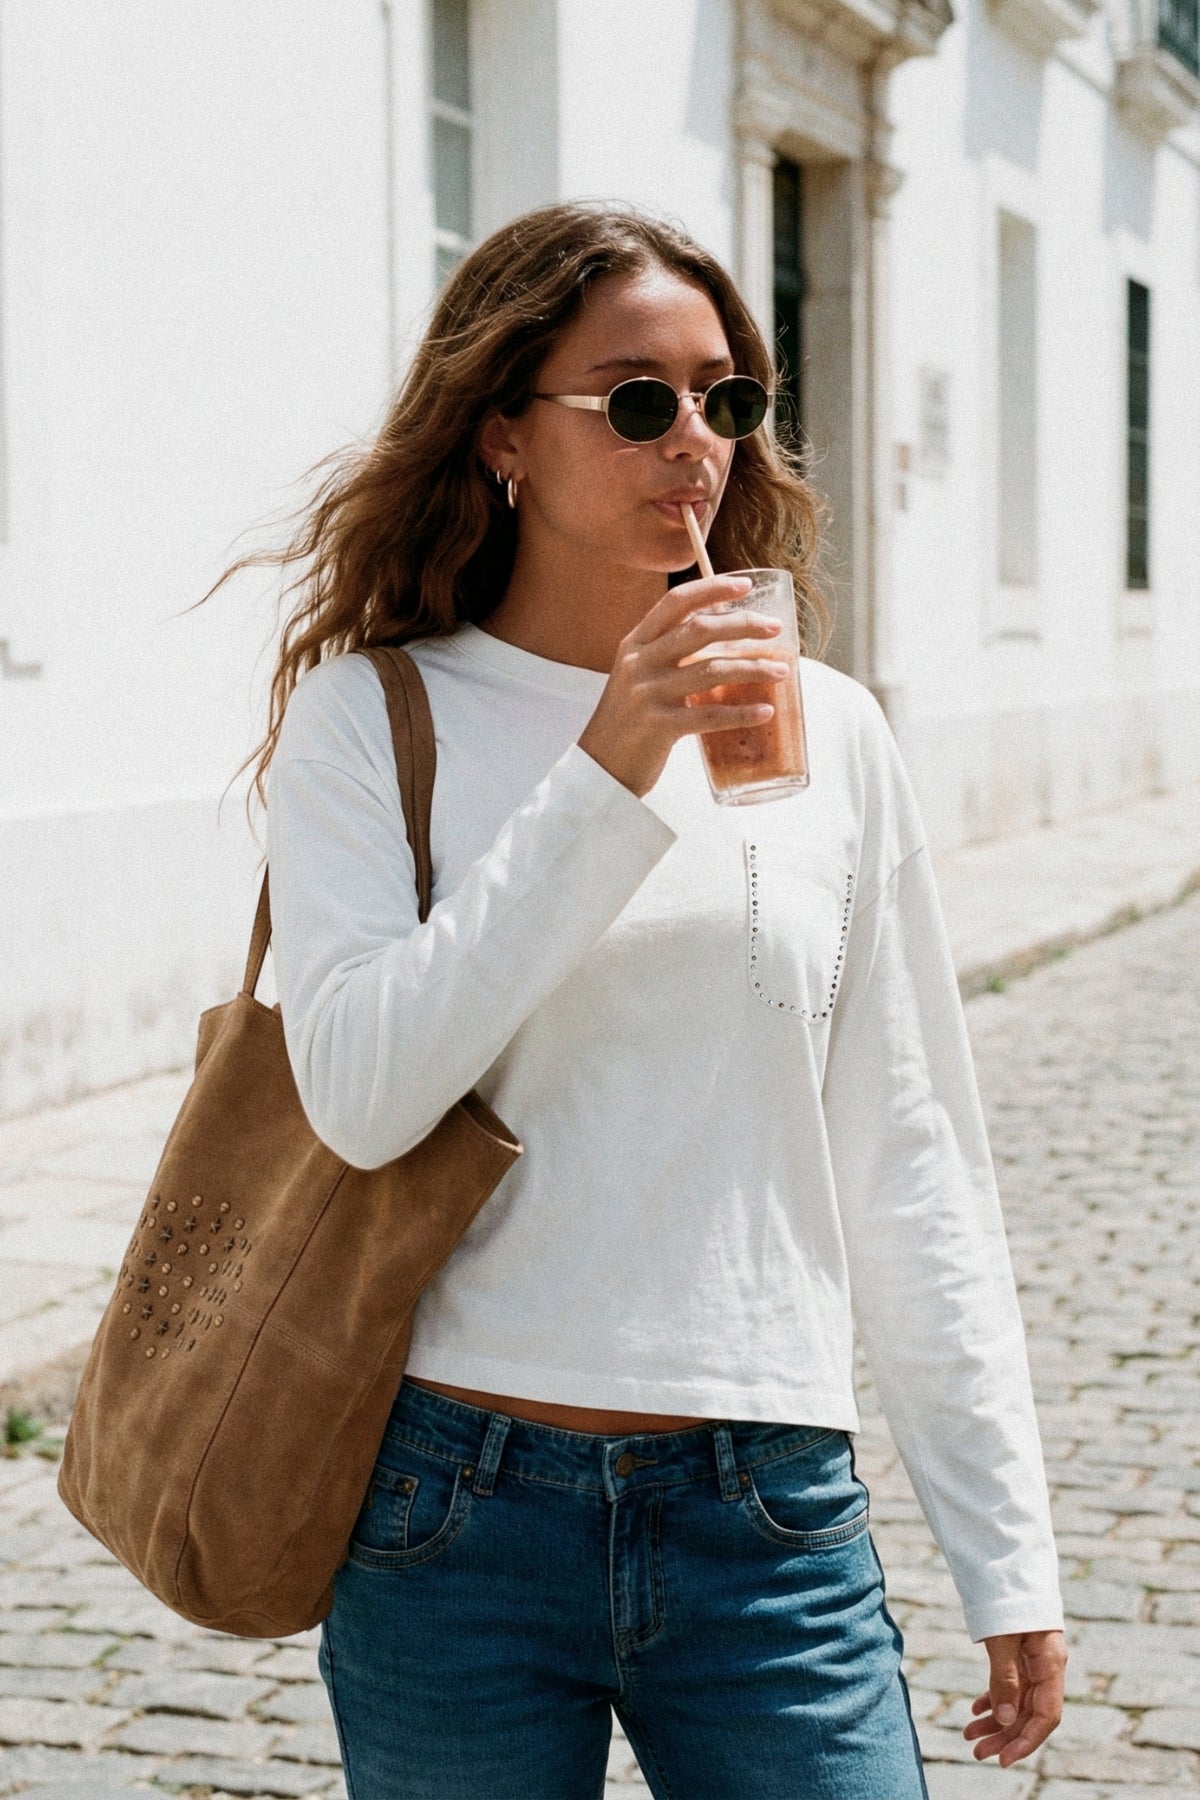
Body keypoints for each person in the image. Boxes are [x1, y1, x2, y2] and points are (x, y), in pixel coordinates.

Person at [232, 201, 1066, 1798]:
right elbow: (361, 1089)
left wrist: (1005, 1553)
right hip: (449, 1511)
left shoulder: (828, 729)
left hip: (766, 1514)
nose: (697, 443)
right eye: (636, 399)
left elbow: (912, 1154)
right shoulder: (372, 715)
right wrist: (613, 760)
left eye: (726, 398)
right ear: (501, 439)